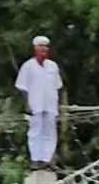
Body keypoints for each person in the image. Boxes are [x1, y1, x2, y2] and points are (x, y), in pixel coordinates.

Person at [15, 35, 64, 167]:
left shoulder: (53, 66)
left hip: (50, 104)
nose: (44, 49)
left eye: (46, 47)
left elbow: (58, 86)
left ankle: (47, 160)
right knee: (35, 132)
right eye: (41, 46)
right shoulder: (28, 66)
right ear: (35, 48)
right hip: (34, 104)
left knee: (50, 132)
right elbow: (22, 87)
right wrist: (27, 104)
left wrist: (59, 105)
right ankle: (35, 160)